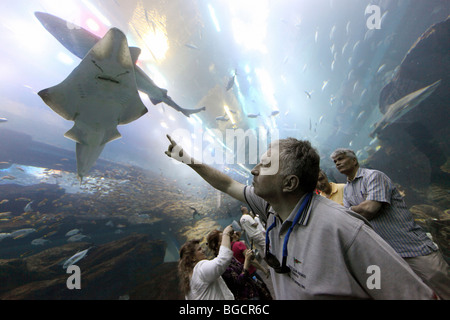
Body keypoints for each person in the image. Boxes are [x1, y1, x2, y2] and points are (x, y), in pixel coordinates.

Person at [166, 135, 436, 299]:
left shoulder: (345, 231)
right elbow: (226, 185)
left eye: (265, 164)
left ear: (290, 183)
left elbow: (407, 293)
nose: (254, 170)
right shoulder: (269, 207)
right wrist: (188, 160)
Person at [331, 148, 450, 299]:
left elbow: (370, 209)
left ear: (354, 160)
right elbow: (352, 219)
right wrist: (357, 209)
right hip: (391, 255)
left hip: (413, 246)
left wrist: (351, 209)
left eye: (341, 159)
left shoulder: (374, 176)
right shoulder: (347, 190)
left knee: (441, 283)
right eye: (335, 162)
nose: (337, 163)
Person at [206, 229, 272, 300]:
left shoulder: (230, 257)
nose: (227, 241)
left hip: (253, 290)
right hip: (247, 296)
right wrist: (247, 260)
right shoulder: (220, 265)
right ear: (216, 245)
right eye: (223, 239)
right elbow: (239, 282)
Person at [178, 225, 235, 300]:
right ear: (192, 258)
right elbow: (222, 260)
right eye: (199, 249)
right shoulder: (200, 269)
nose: (203, 250)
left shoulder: (189, 280)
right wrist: (226, 233)